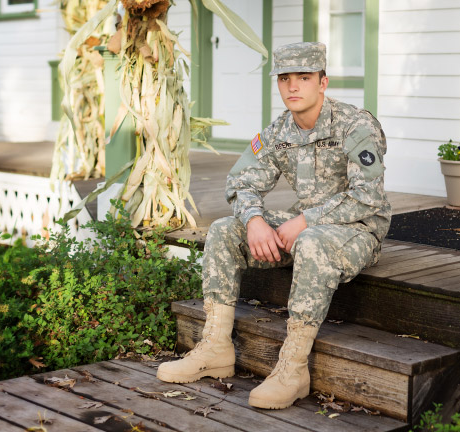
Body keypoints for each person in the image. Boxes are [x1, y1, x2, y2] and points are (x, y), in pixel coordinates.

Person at [156, 42, 391, 410]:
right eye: (284, 78)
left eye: (304, 77)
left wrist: (305, 220)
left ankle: (293, 369)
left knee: (311, 241)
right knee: (223, 230)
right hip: (305, 227)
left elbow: (368, 196)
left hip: (358, 230)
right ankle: (216, 348)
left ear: (323, 82)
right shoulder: (279, 130)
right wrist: (254, 221)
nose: (293, 86)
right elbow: (240, 182)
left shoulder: (355, 124)